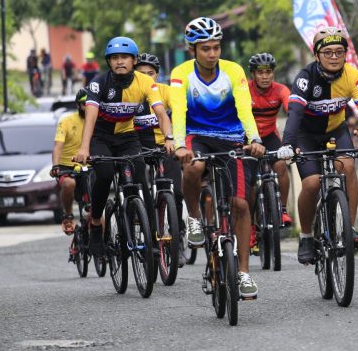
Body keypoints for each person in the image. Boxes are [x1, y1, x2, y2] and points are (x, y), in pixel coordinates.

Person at [171, 17, 264, 300]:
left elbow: (245, 110)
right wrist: (178, 145)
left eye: (216, 48)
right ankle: (194, 218)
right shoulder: (181, 74)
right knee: (194, 166)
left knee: (240, 203)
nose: (212, 54)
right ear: (193, 51)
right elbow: (179, 111)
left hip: (230, 136)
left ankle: (244, 273)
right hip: (195, 135)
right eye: (205, 49)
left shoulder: (234, 71)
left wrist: (255, 138)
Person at [276, 26, 358, 265]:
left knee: (348, 167)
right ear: (316, 56)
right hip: (306, 134)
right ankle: (307, 237)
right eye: (328, 52)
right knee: (311, 184)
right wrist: (288, 144)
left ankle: (349, 229)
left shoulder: (352, 75)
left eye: (339, 52)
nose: (334, 57)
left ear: (345, 54)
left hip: (336, 130)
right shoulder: (305, 77)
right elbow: (295, 114)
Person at [73, 37, 174, 258]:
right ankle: (97, 222)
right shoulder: (98, 84)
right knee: (105, 174)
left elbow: (160, 113)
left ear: (134, 60)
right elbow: (89, 119)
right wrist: (84, 148)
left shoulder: (145, 82)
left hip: (128, 136)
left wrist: (169, 138)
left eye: (125, 57)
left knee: (141, 176)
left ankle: (152, 237)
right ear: (109, 62)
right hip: (101, 136)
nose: (120, 62)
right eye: (115, 58)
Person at [133, 52, 184, 253]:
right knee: (140, 189)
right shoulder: (129, 93)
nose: (147, 77)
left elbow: (180, 112)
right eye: (142, 73)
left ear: (157, 75)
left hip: (165, 146)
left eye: (151, 73)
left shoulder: (166, 91)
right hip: (139, 147)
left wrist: (179, 141)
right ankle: (146, 229)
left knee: (177, 192)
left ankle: (177, 234)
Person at [247, 52, 292, 228]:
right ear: (253, 74)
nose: (265, 76)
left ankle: (283, 209)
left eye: (268, 72)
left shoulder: (281, 90)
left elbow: (292, 111)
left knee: (281, 165)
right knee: (249, 180)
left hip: (270, 136)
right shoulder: (245, 90)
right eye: (260, 72)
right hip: (249, 138)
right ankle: (249, 223)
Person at [50, 89, 88, 235]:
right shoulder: (66, 121)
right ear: (78, 105)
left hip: (89, 166)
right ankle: (67, 214)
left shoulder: (97, 120)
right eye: (84, 104)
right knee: (69, 184)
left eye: (90, 104)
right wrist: (56, 165)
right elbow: (57, 147)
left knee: (98, 217)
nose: (88, 107)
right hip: (67, 167)